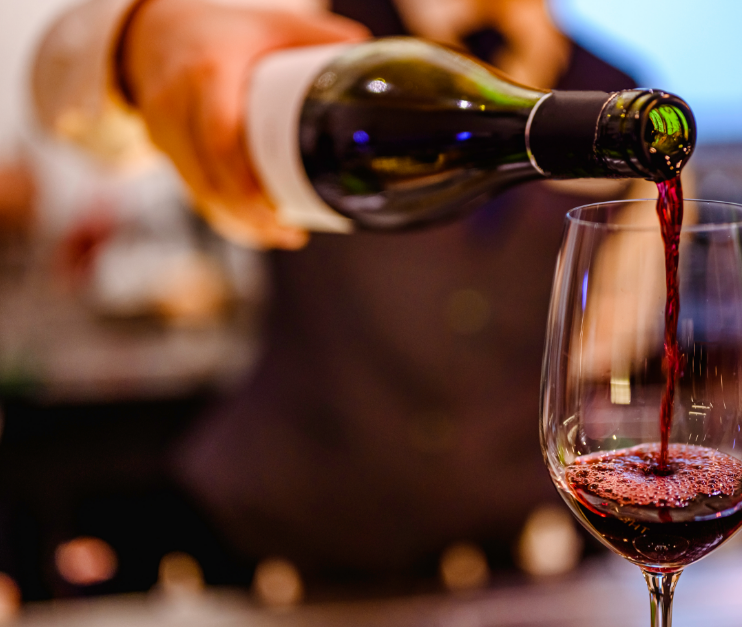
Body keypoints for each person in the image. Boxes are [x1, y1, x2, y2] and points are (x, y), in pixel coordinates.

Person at [32, 0, 641, 589]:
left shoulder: (617, 101)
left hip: (516, 571)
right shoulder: (312, 32)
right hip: (281, 557)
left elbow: (610, 338)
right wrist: (141, 37)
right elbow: (60, 89)